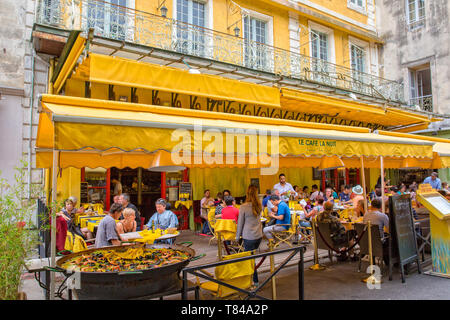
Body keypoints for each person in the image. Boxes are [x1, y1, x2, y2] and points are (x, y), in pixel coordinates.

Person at [236, 185, 263, 287]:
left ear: (247, 193)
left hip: (249, 237)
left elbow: (240, 224)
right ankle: (249, 279)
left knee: (250, 261)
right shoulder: (259, 205)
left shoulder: (243, 206)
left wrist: (237, 238)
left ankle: (255, 282)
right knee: (252, 258)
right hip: (258, 236)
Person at [363, 199, 390, 264]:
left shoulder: (366, 215)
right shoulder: (383, 216)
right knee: (391, 241)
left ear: (371, 206)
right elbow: (389, 229)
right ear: (381, 207)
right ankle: (389, 262)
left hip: (367, 242)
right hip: (379, 242)